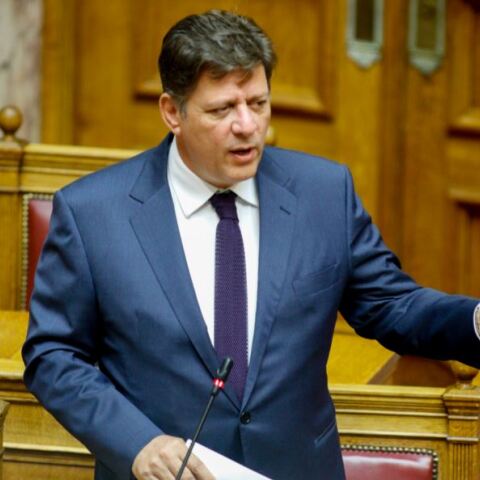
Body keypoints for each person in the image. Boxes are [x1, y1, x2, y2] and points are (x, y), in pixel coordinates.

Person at [22, 9, 480, 480]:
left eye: (258, 103)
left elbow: (393, 305)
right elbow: (53, 354)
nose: (247, 125)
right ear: (172, 112)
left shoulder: (323, 194)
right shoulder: (94, 214)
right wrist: (136, 442)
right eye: (222, 110)